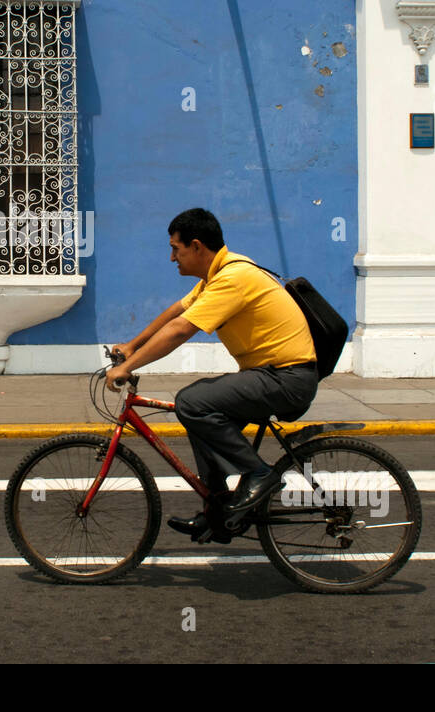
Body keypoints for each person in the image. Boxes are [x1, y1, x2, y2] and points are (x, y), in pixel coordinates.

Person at [105, 208, 319, 541]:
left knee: (192, 401)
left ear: (196, 246)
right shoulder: (216, 276)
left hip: (286, 379)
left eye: (176, 249)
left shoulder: (233, 279)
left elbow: (180, 330)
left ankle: (259, 474)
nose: (171, 257)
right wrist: (132, 346)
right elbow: (178, 310)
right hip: (272, 375)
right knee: (199, 418)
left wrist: (127, 368)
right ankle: (219, 510)